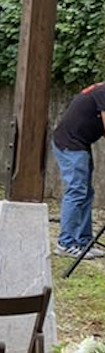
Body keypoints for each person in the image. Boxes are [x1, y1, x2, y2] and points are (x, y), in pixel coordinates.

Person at [53, 82, 105, 258]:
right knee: (76, 191)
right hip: (70, 145)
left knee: (86, 193)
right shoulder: (103, 92)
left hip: (79, 143)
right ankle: (65, 243)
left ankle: (84, 242)